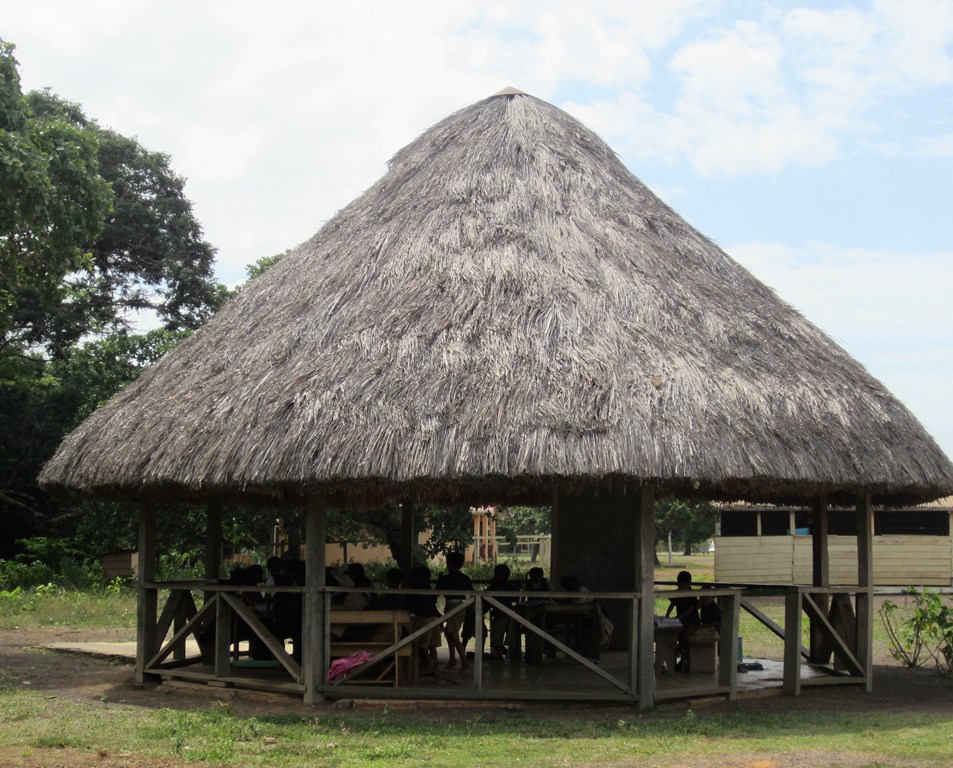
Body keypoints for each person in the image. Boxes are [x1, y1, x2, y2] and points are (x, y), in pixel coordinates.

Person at [436, 551, 473, 671]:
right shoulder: (465, 578)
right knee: (448, 633)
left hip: (453, 605)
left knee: (454, 635)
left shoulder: (447, 578)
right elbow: (471, 593)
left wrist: (440, 579)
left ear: (449, 564)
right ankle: (453, 659)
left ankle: (464, 663)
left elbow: (438, 591)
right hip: (460, 606)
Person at [666, 570, 700, 670]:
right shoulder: (678, 593)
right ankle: (679, 657)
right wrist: (667, 615)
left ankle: (680, 653)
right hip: (681, 620)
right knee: (678, 636)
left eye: (682, 584)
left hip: (691, 620)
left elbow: (691, 609)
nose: (680, 586)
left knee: (685, 636)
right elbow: (672, 604)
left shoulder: (691, 594)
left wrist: (679, 617)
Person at [487, 563, 519, 660]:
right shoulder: (495, 587)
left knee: (511, 625)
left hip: (507, 615)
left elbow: (515, 599)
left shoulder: (508, 586)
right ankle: (500, 649)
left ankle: (504, 649)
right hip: (499, 615)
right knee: (501, 625)